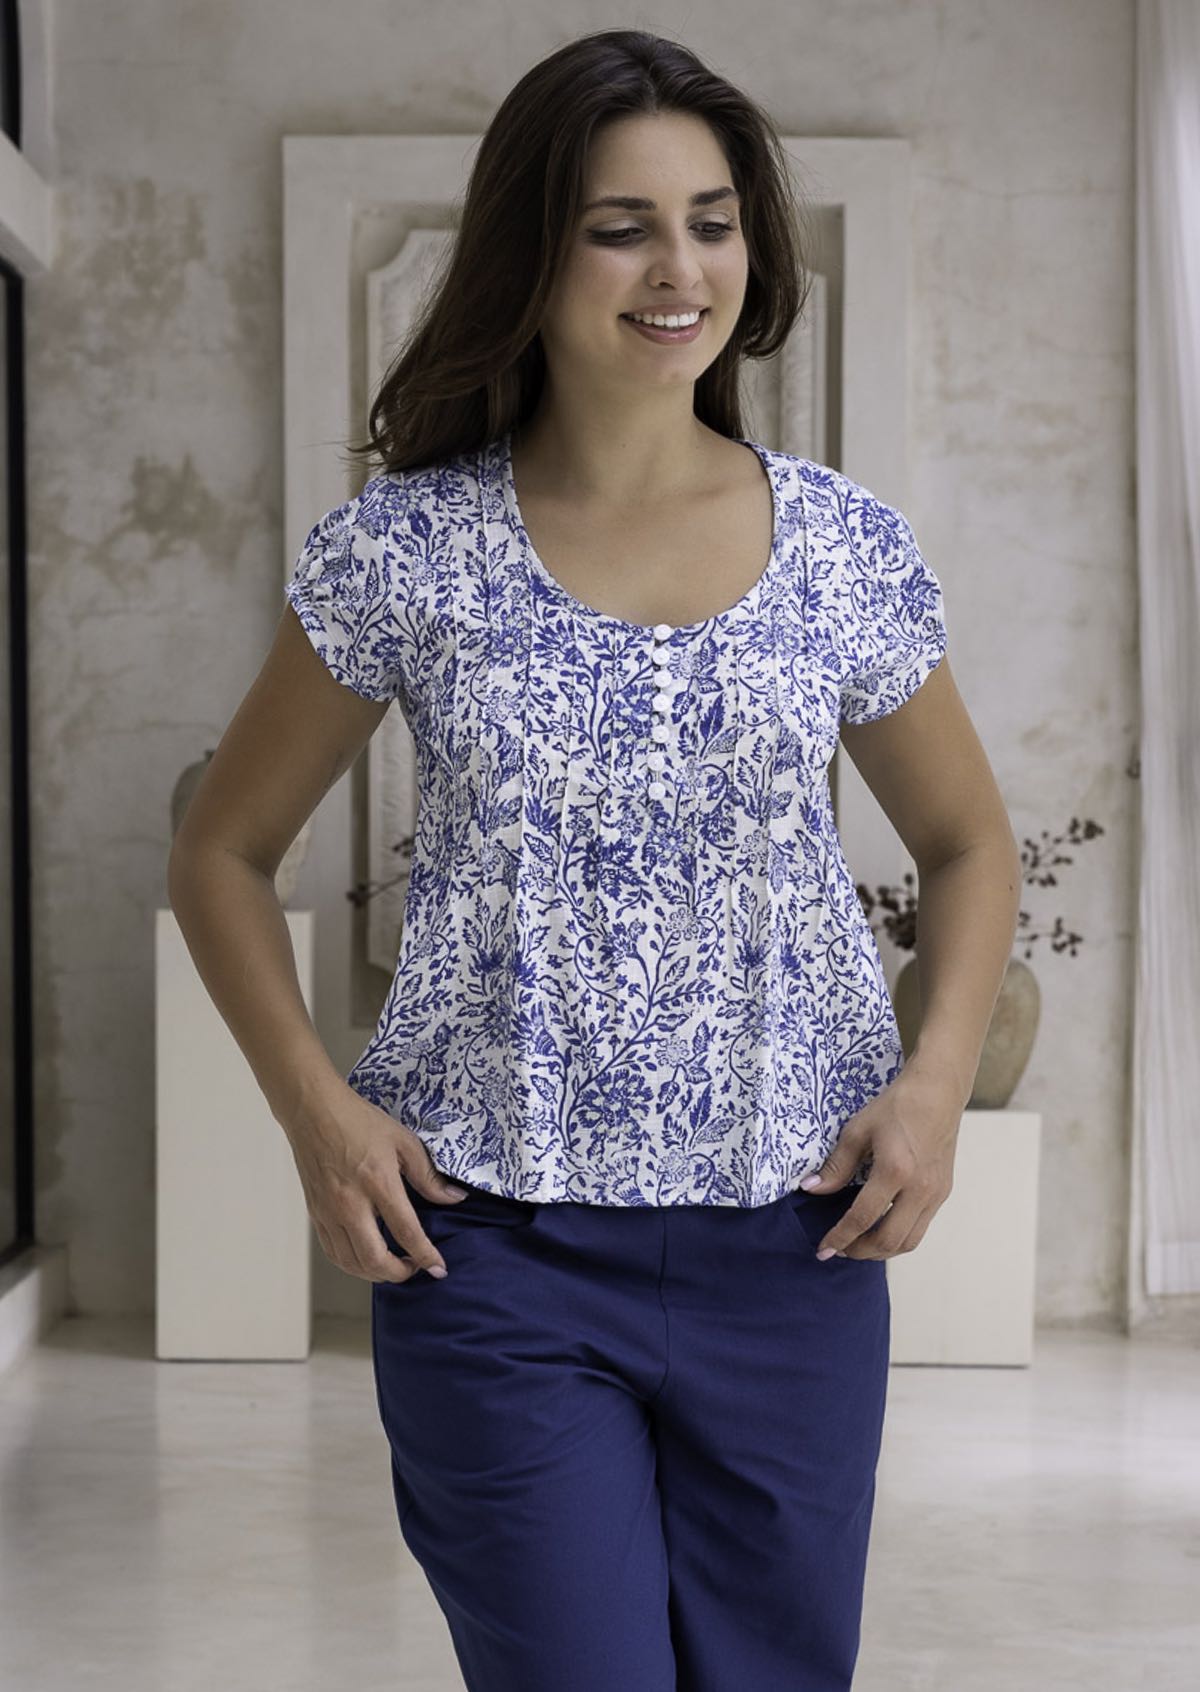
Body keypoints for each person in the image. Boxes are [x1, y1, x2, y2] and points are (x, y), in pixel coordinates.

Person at [168, 27, 1021, 1692]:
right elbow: (223, 850)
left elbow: (970, 840)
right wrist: (315, 1115)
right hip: (493, 1252)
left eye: (712, 218)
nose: (677, 265)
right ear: (532, 249)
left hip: (796, 1243)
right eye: (619, 223)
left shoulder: (843, 545)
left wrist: (931, 1091)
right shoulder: (406, 549)